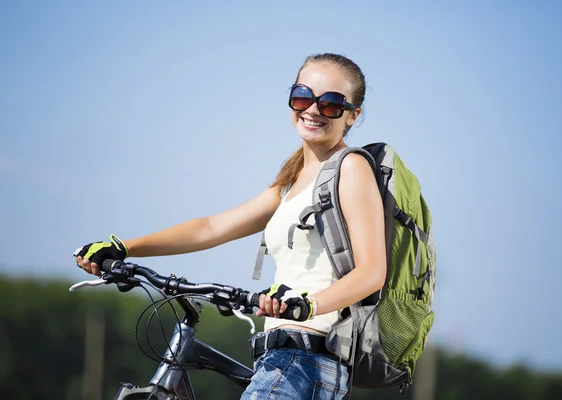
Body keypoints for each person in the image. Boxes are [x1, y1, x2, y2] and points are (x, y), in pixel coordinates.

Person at [74, 52, 386, 400]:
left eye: (330, 104)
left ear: (352, 116)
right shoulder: (292, 178)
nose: (312, 109)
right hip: (279, 357)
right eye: (302, 96)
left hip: (307, 358)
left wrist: (307, 304)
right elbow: (211, 227)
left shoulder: (352, 167)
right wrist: (124, 247)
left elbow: (372, 271)